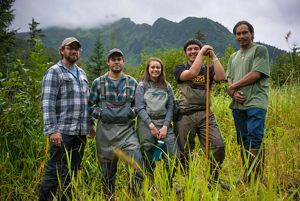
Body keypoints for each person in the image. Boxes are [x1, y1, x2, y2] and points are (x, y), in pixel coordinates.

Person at [39, 37, 94, 200]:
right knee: (55, 170)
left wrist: (90, 124)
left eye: (77, 48)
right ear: (62, 50)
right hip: (62, 132)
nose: (74, 51)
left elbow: (87, 101)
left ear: (80, 52)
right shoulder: (54, 71)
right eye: (70, 48)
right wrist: (53, 130)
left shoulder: (82, 73)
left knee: (73, 171)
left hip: (80, 132)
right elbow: (47, 102)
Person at [89, 48, 144, 199]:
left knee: (138, 168)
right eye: (113, 59)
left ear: (123, 62)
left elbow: (139, 105)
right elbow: (90, 105)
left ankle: (134, 196)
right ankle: (109, 197)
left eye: (119, 59)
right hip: (105, 133)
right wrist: (101, 114)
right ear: (108, 62)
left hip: (127, 132)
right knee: (107, 174)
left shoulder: (132, 82)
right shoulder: (98, 82)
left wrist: (129, 113)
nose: (116, 62)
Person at [173, 39, 227, 187]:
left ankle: (213, 179)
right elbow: (192, 73)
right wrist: (202, 53)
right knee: (184, 151)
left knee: (218, 145)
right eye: (189, 49)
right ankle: (188, 182)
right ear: (185, 53)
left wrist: (214, 56)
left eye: (196, 48)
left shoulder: (208, 69)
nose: (193, 51)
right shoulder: (180, 68)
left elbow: (221, 77)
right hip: (185, 114)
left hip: (205, 114)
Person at [226, 21, 270, 183]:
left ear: (251, 34)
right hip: (238, 104)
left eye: (245, 32)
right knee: (243, 139)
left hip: (256, 101)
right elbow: (229, 77)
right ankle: (247, 176)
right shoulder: (232, 57)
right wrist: (233, 92)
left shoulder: (259, 50)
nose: (241, 36)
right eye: (238, 34)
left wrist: (233, 88)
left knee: (255, 137)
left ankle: (256, 179)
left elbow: (256, 73)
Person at [135, 57, 179, 187]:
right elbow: (139, 107)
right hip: (146, 124)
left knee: (173, 154)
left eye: (158, 67)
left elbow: (171, 107)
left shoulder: (167, 86)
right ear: (148, 69)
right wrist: (151, 125)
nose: (155, 69)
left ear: (161, 69)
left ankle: (168, 183)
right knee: (147, 152)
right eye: (152, 67)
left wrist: (165, 126)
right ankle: (151, 181)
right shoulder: (141, 86)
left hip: (164, 123)